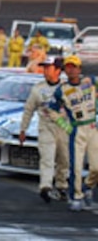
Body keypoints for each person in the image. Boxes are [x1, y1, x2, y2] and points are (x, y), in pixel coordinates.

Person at [48, 55, 98, 212]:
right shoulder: (61, 90)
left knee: (96, 167)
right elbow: (52, 111)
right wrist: (66, 126)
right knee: (76, 167)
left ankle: (87, 186)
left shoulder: (91, 81)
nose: (71, 70)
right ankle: (76, 196)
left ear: (80, 68)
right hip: (76, 129)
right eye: (68, 67)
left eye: (74, 67)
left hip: (93, 127)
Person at [19, 56, 69, 203]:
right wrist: (23, 129)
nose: (45, 70)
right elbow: (28, 110)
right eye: (44, 67)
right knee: (47, 158)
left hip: (64, 127)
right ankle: (45, 187)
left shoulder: (68, 87)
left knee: (64, 159)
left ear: (58, 70)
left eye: (49, 67)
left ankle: (61, 186)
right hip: (46, 127)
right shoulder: (38, 89)